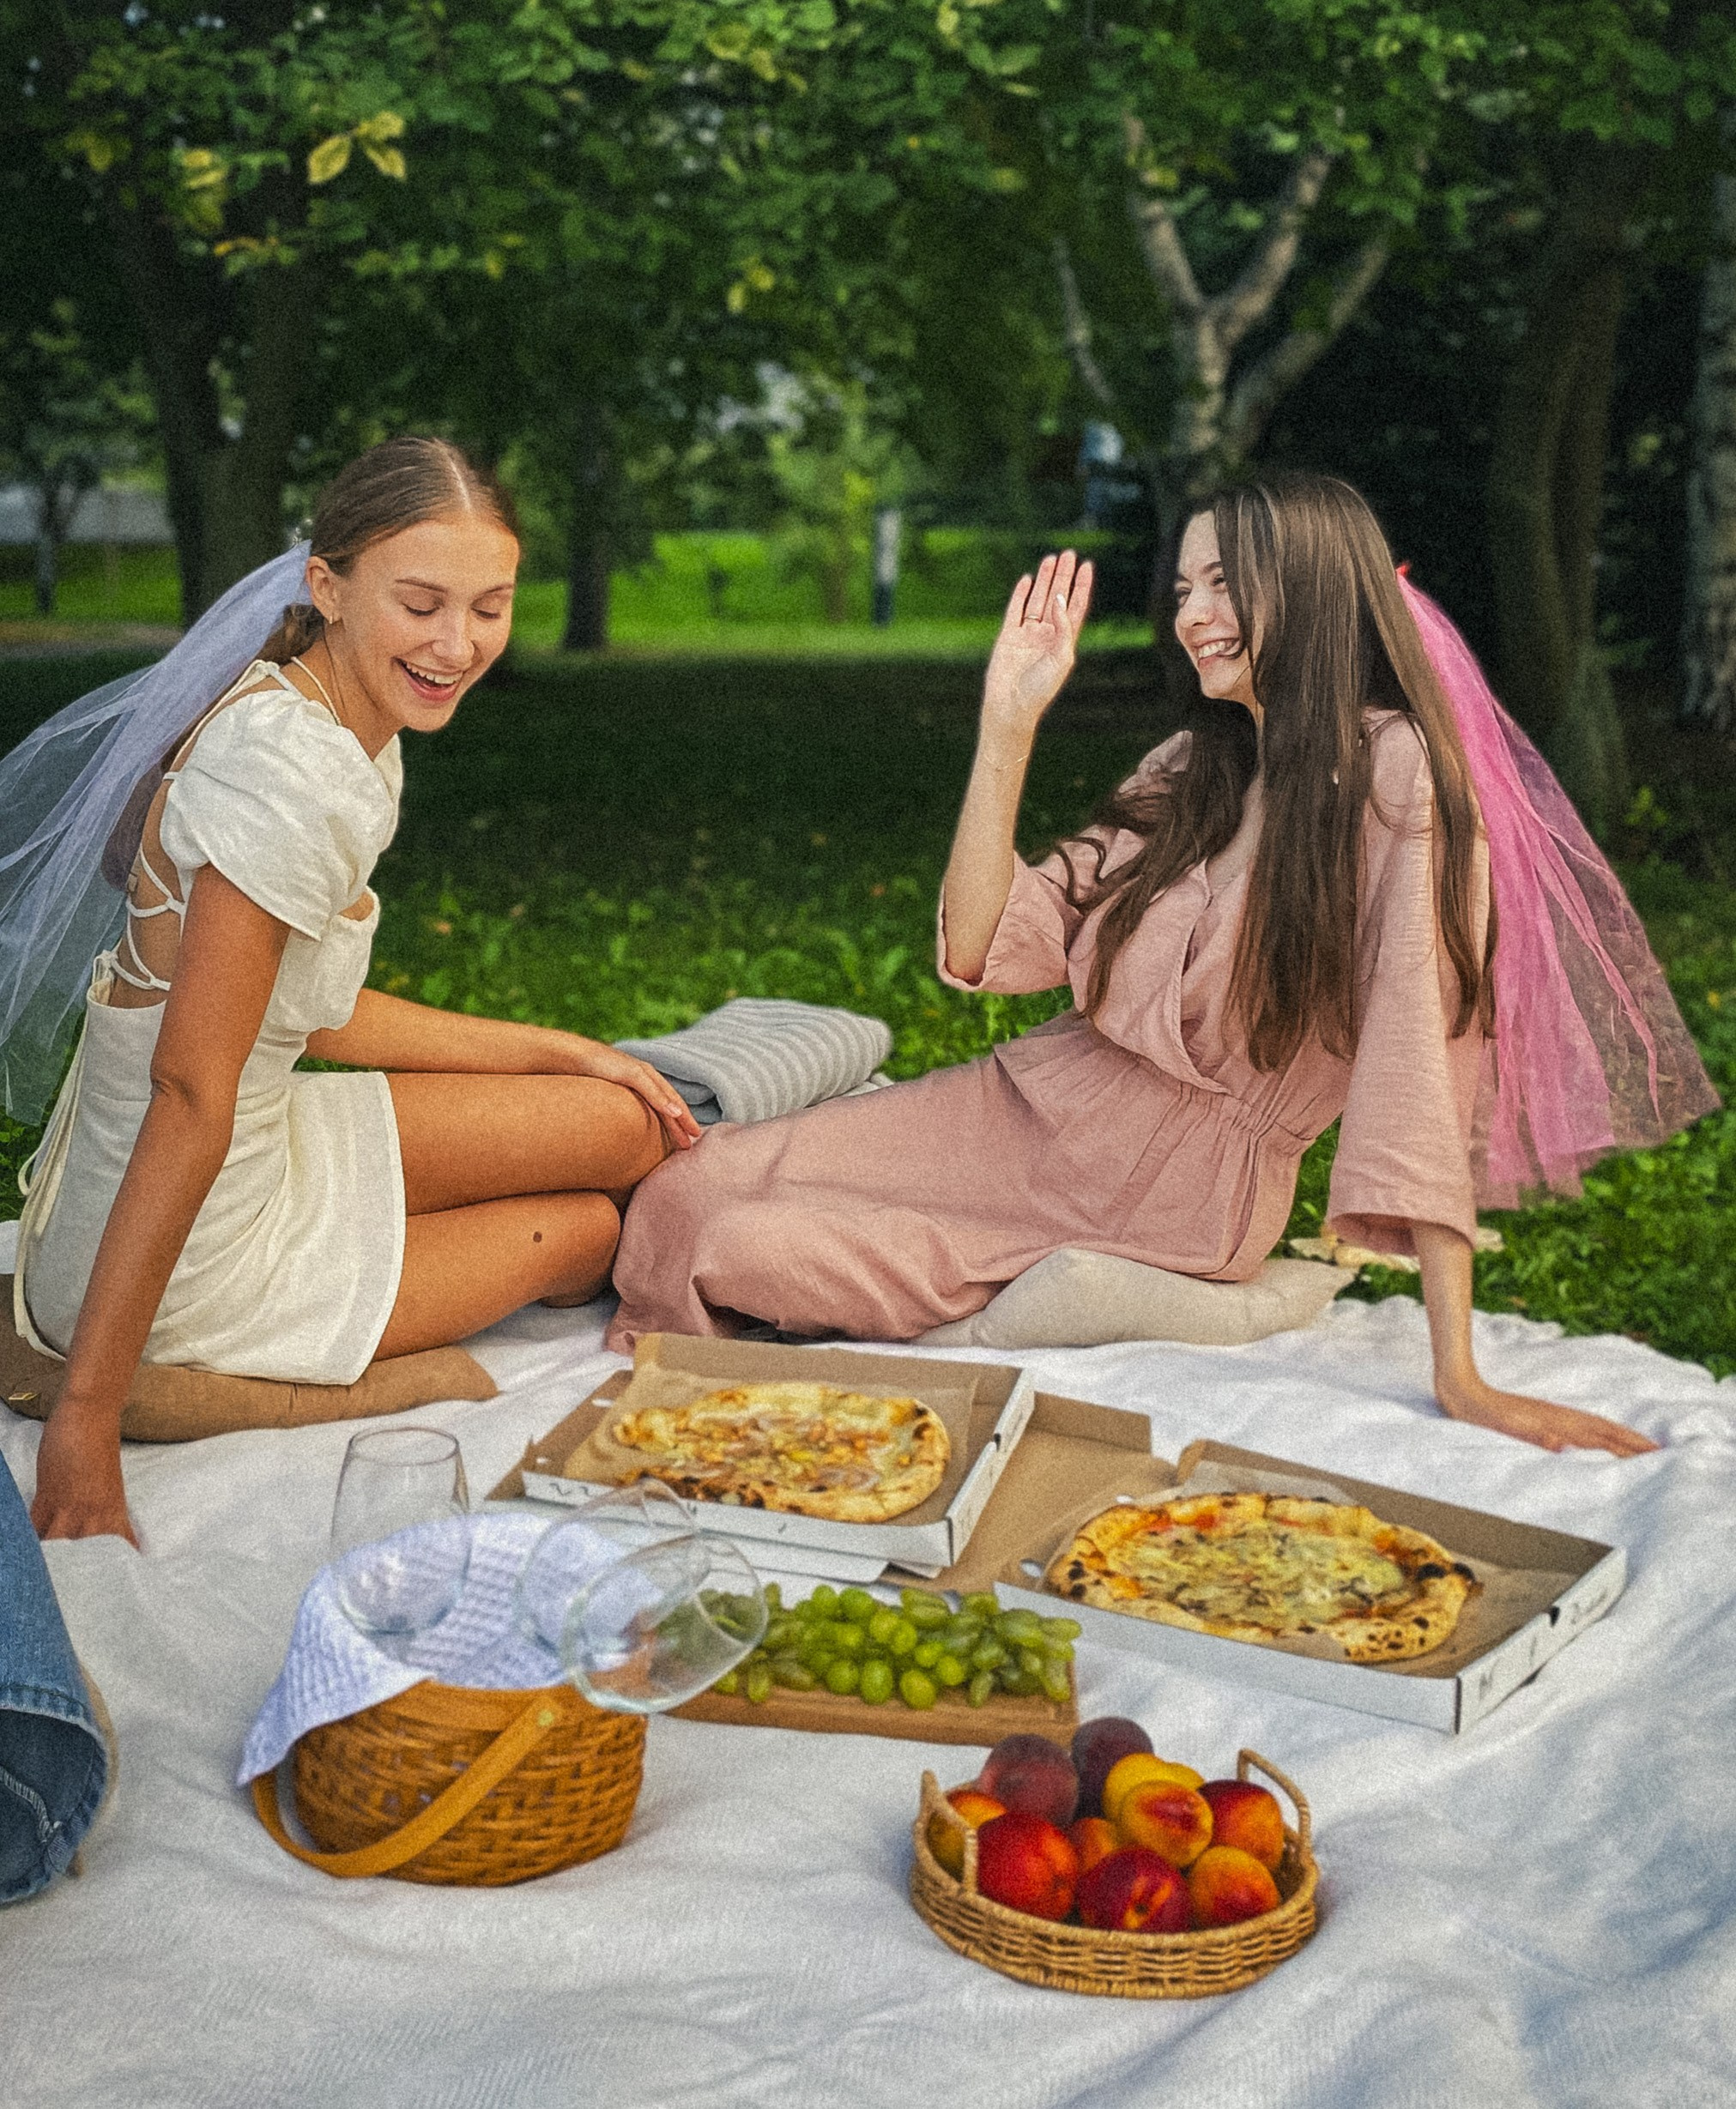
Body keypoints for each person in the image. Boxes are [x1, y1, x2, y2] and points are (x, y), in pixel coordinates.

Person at [609, 474, 1717, 1457]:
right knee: (681, 1188)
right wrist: (1007, 721)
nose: (1191, 615)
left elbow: (1420, 1058)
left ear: (1318, 590)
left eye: (1222, 584)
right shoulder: (1196, 762)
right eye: (1182, 589)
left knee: (726, 1242)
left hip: (1162, 1188)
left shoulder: (1401, 778)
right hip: (1026, 1104)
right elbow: (984, 943)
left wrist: (1458, 1370)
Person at [11, 438, 700, 1544]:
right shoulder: (281, 777)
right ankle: (150, 1385)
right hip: (183, 1247)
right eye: (420, 604)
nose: (457, 645)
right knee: (579, 1234)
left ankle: (364, 1292)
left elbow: (307, 1011)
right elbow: (190, 1091)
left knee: (623, 1125)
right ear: (326, 588)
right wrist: (81, 1431)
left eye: (489, 607)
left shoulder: (334, 717)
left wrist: (560, 1048)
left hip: (252, 1126)